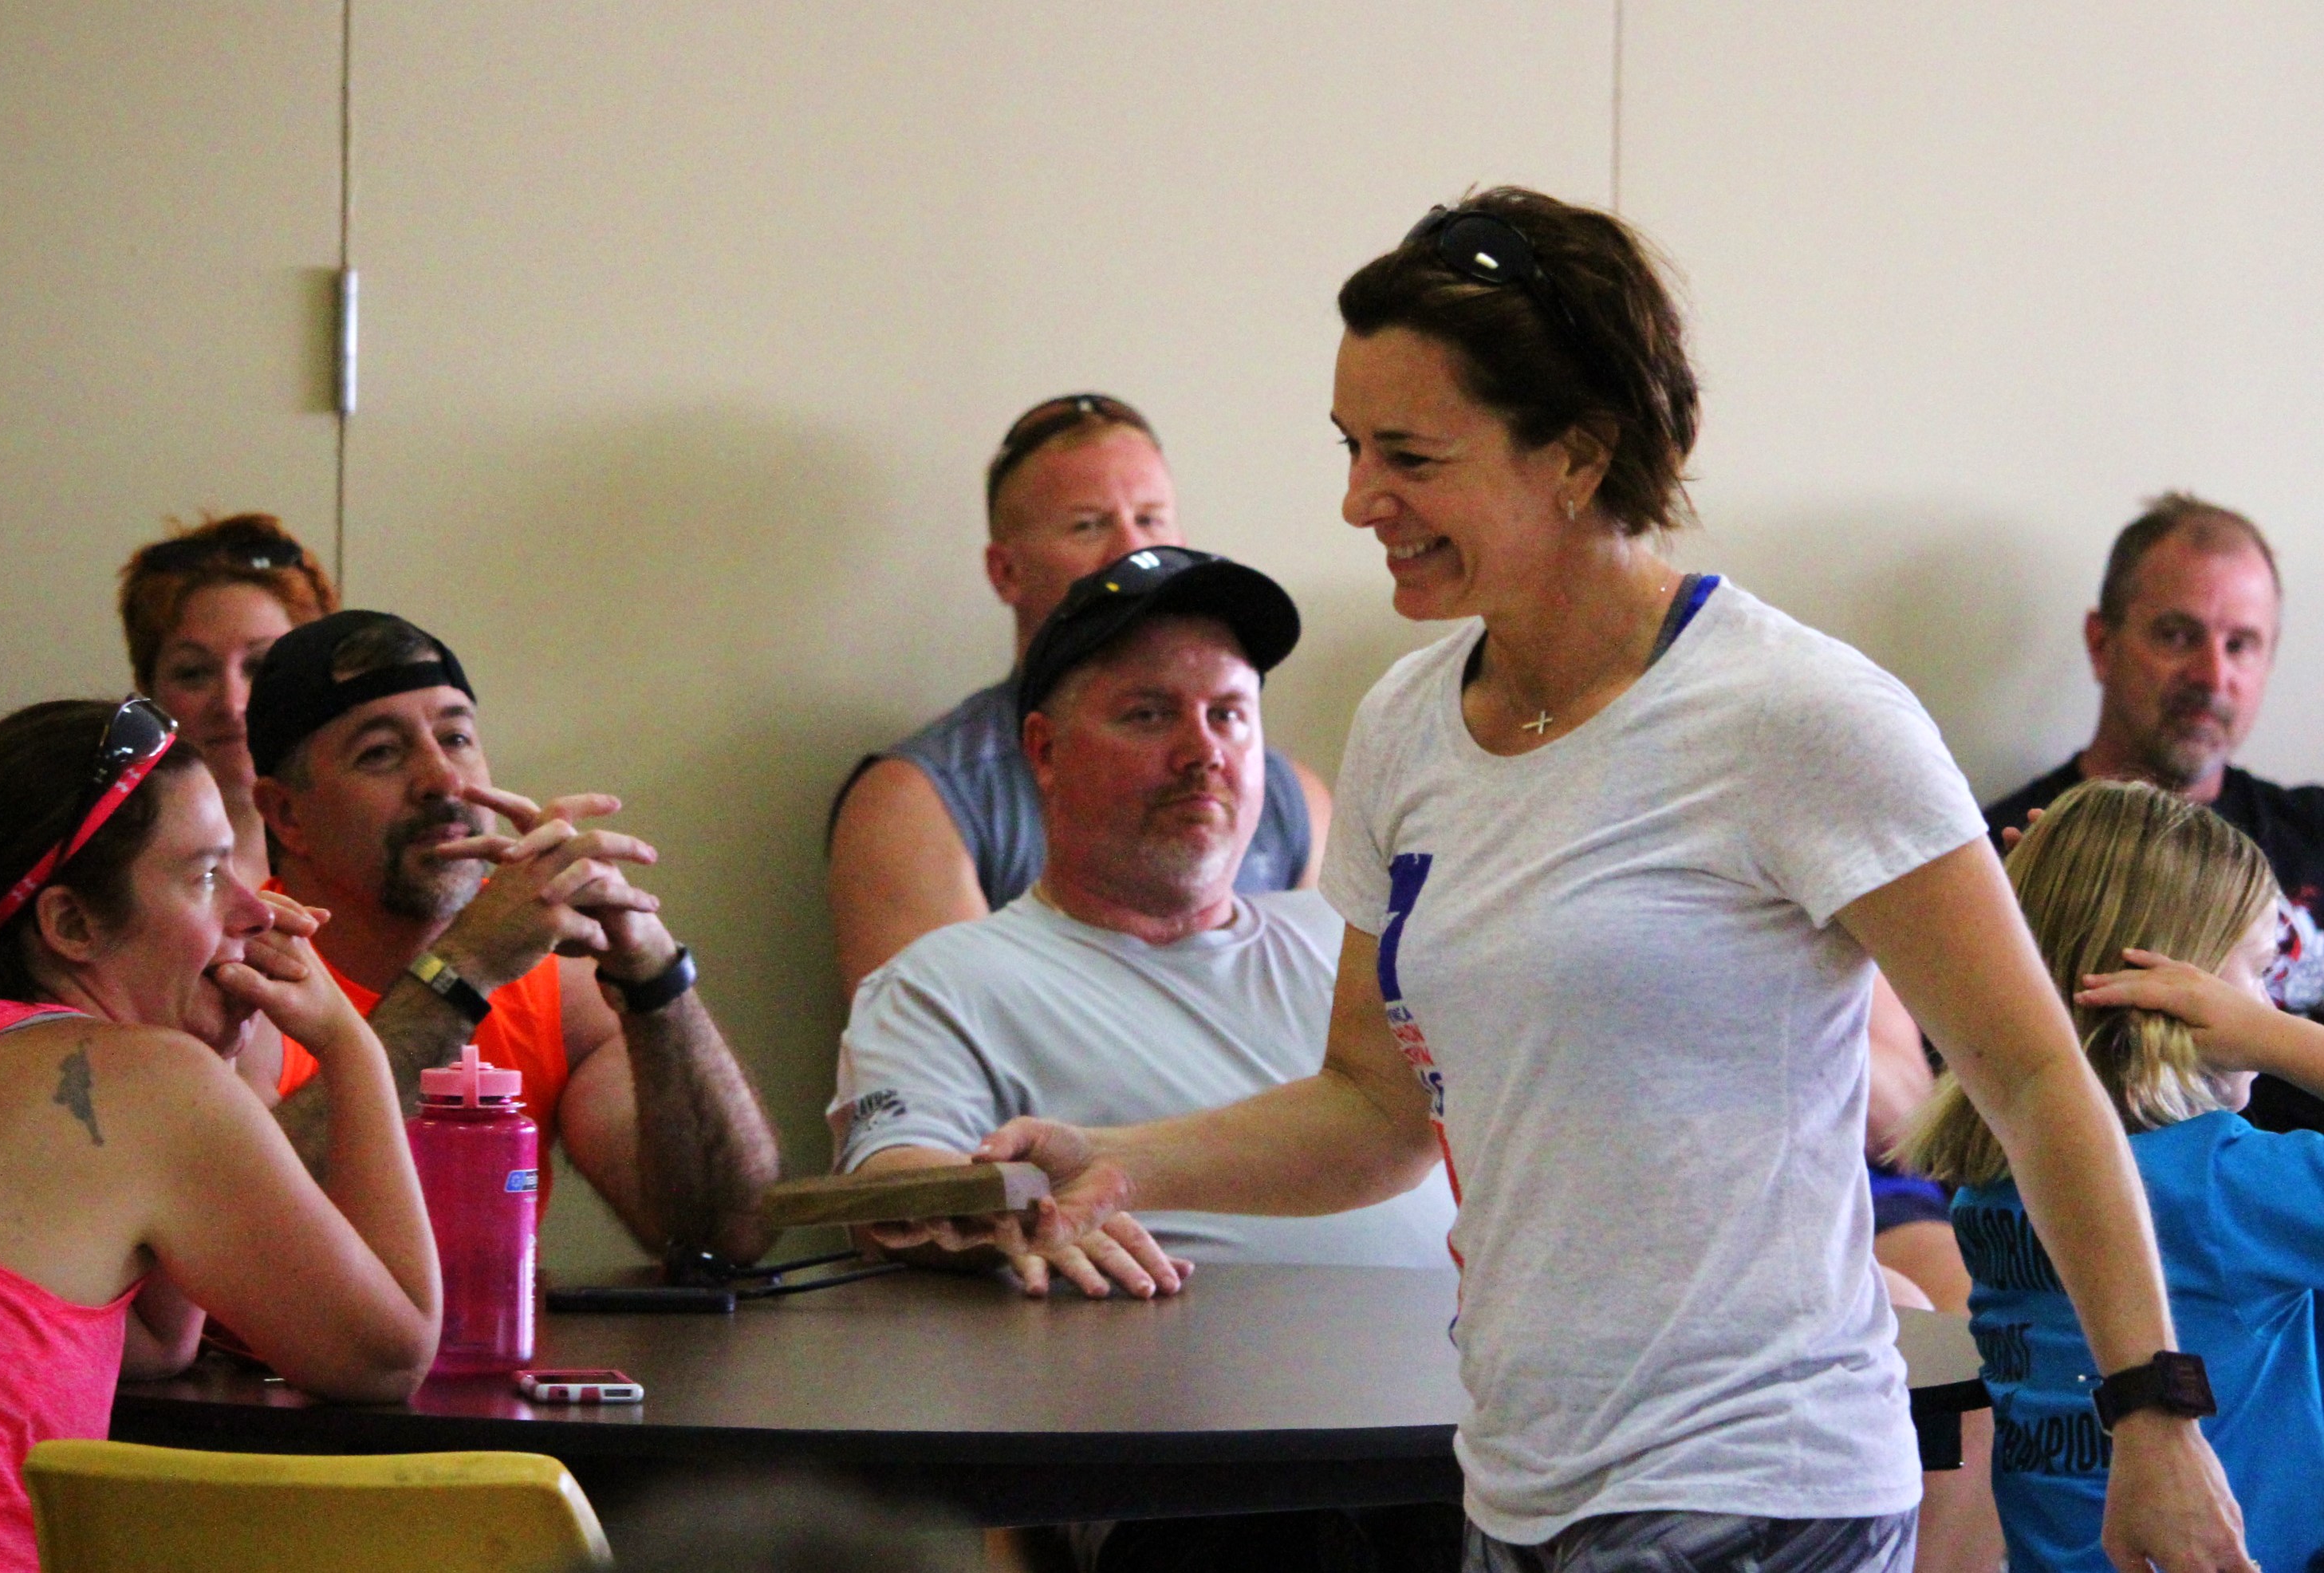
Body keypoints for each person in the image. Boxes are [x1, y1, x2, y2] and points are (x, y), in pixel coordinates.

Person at [889, 189, 2254, 1573]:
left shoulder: (1797, 716)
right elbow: (1373, 1108)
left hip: (1762, 1490)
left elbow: (2032, 1076)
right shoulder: (1404, 726)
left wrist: (2153, 1413)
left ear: (1577, 455)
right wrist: (1120, 1159)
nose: (1359, 499)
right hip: (1520, 1487)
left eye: (1409, 455)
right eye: (1352, 447)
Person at [834, 547, 1455, 1299]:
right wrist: (1016, 1213)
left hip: (1472, 1357)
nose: (1203, 753)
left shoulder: (1356, 936)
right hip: (1176, 1366)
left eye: (1228, 715)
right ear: (1045, 751)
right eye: (1150, 715)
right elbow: (886, 1185)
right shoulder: (940, 983)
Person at [0, 698, 439, 1572]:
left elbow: (157, 1346)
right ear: (71, 925)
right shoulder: (140, 1082)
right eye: (208, 876)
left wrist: (208, 1056)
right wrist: (353, 1048)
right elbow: (388, 1355)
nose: (259, 911)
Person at [240, 609, 781, 1264]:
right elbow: (249, 1236)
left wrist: (654, 977)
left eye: (456, 738)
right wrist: (460, 974)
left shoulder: (554, 986)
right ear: (287, 816)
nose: (442, 780)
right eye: (380, 753)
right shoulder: (237, 975)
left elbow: (726, 1236)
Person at [1903, 779, 2324, 1573]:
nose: (2266, 1004)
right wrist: (2276, 1040)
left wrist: (2061, 900)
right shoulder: (2223, 1186)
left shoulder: (1999, 1179)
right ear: (2182, 993)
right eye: (2259, 975)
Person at [825, 393, 1333, 997]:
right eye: (1088, 525)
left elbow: (1330, 1020)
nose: (1133, 552)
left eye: (1150, 520)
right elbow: (949, 1037)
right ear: (1005, 572)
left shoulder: (1290, 797)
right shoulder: (917, 804)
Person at [1982, 493, 2324, 1133]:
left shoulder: (2313, 830)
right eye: (2176, 635)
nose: (2211, 675)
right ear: (2100, 643)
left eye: (2240, 645)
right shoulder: (1996, 857)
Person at [117, 513, 340, 891]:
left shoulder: (377, 857)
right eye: (193, 673)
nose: (232, 704)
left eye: (260, 666)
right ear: (147, 689)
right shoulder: (112, 873)